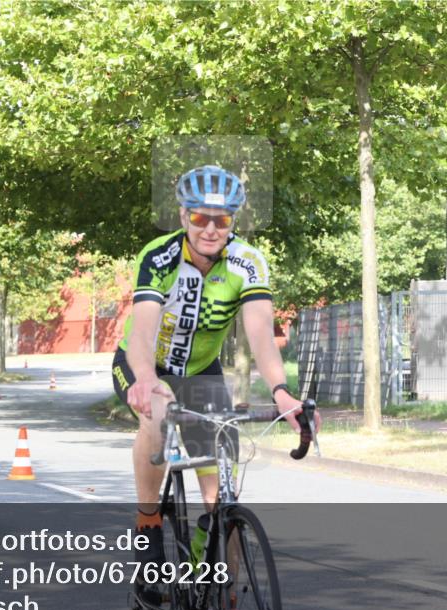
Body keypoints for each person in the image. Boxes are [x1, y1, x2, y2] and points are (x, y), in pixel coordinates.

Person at [111, 165, 321, 565]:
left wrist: (281, 392)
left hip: (201, 374)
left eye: (221, 220)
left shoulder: (248, 261)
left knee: (222, 503)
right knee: (156, 418)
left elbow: (260, 334)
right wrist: (146, 379)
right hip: (143, 364)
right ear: (182, 217)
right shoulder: (159, 257)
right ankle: (148, 521)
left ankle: (221, 609)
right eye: (199, 218)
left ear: (232, 221)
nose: (210, 229)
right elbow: (142, 332)